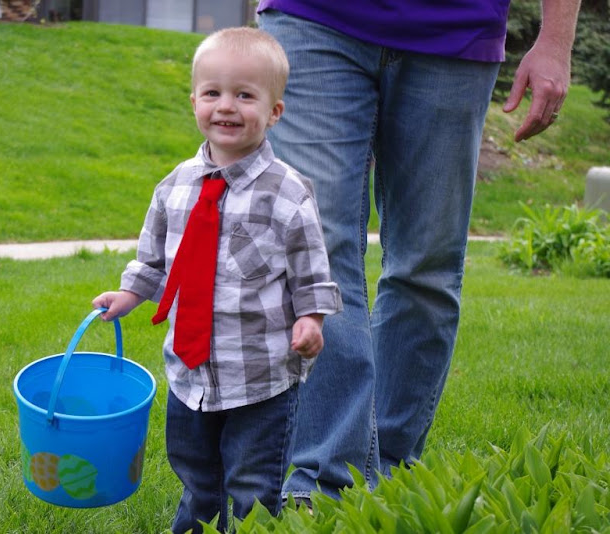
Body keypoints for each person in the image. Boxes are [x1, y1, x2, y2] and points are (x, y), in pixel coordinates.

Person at [256, 0, 580, 503]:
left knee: (425, 266)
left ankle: (388, 472)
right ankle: (325, 485)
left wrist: (556, 42)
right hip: (315, 16)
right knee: (317, 250)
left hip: (456, 31)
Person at [92, 27, 342, 533]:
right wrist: (130, 293)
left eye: (245, 95)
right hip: (189, 375)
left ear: (274, 111)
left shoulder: (288, 193)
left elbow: (311, 269)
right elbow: (153, 259)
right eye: (213, 93)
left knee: (252, 482)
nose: (226, 106)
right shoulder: (174, 187)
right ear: (194, 102)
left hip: (260, 376)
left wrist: (311, 319)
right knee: (195, 473)